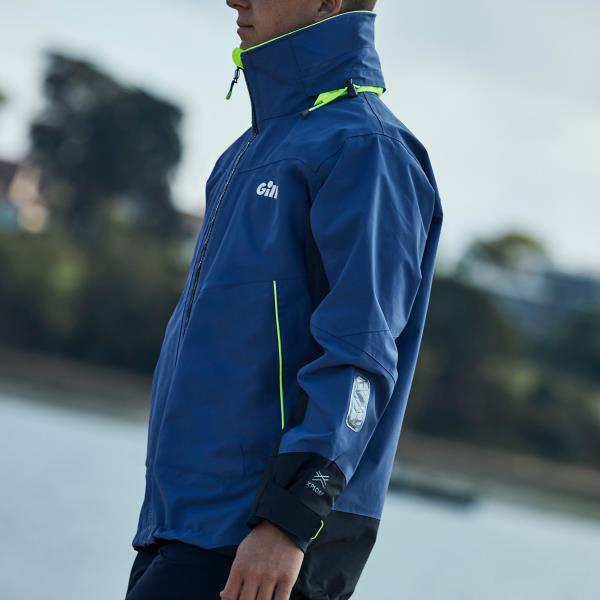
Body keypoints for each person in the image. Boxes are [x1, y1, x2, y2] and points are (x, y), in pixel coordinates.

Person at [125, 0, 444, 598]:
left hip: (264, 546)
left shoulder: (368, 150)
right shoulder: (248, 153)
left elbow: (360, 359)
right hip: (183, 529)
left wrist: (289, 522)